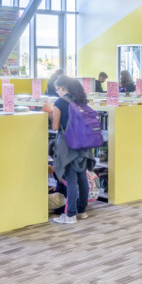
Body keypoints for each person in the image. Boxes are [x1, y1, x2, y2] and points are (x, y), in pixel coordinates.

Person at [48, 76, 96, 225]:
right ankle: (82, 211)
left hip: (68, 144)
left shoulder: (60, 102)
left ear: (63, 87)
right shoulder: (81, 100)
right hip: (83, 142)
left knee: (70, 178)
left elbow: (55, 127)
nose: (56, 92)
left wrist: (49, 114)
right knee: (81, 175)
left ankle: (70, 215)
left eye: (57, 89)